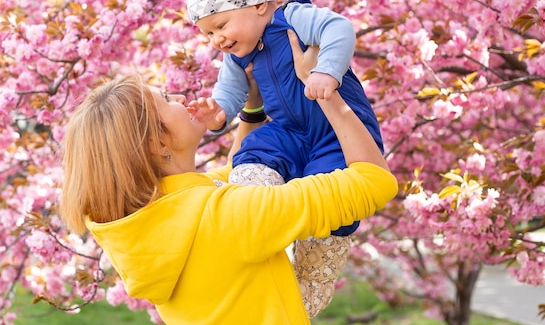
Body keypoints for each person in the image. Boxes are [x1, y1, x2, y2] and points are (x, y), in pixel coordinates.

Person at [59, 32, 397, 325]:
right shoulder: (230, 216)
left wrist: (252, 107)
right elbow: (374, 181)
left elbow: (234, 177)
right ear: (156, 143)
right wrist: (324, 90)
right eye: (165, 100)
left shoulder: (143, 224)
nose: (178, 98)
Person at [185, 0, 385, 316]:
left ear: (259, 4)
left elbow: (339, 28)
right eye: (208, 33)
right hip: (292, 131)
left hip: (335, 133)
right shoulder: (239, 53)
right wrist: (218, 114)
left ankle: (314, 268)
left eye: (221, 25)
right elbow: (230, 92)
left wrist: (326, 71)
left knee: (331, 193)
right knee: (255, 149)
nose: (217, 40)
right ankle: (252, 205)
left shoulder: (291, 18)